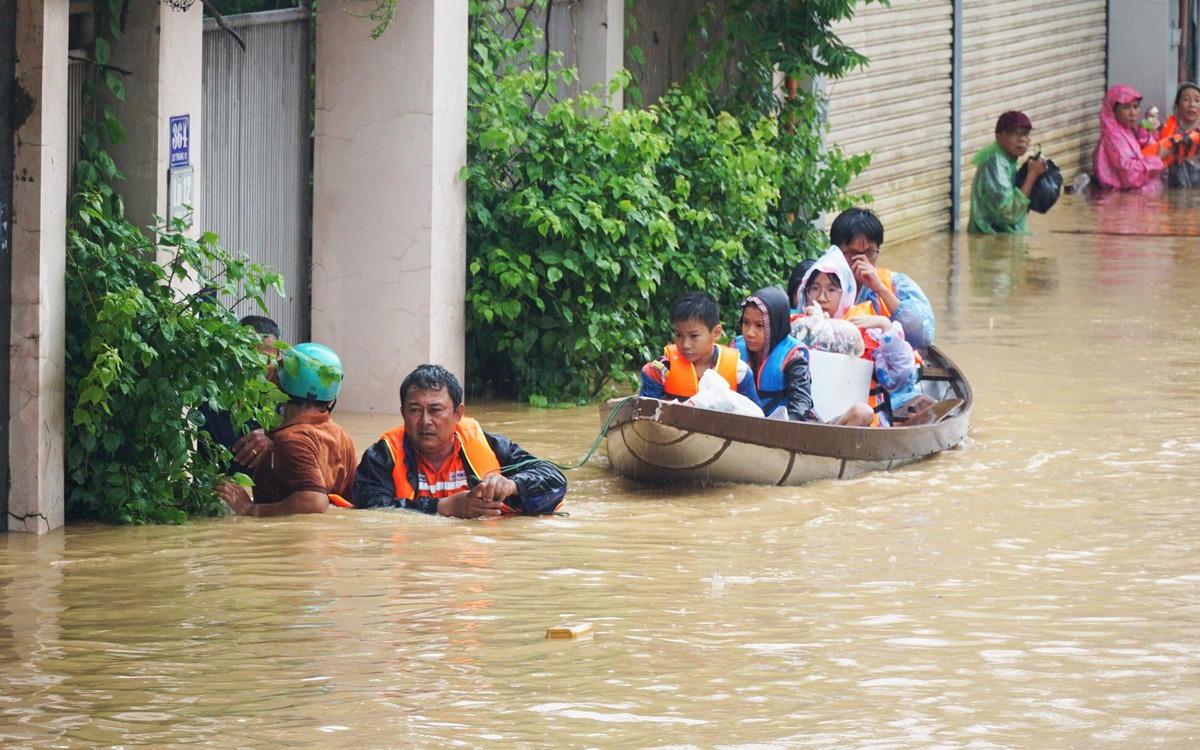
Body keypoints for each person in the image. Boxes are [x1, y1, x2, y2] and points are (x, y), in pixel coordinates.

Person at [355, 364, 567, 518]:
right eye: (415, 410)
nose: (425, 421)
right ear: (403, 414)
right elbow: (372, 510)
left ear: (458, 414)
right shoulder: (381, 457)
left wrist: (513, 485)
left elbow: (555, 480)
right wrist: (444, 507)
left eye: (435, 410)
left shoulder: (493, 447)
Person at [219, 342, 358, 517]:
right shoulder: (342, 436)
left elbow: (314, 502)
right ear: (331, 398)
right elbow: (352, 499)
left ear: (279, 383)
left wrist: (249, 509)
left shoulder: (291, 439)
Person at [799, 250, 925, 426]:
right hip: (811, 425)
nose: (821, 298)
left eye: (832, 289)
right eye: (814, 288)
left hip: (864, 426)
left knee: (861, 412)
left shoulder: (863, 331)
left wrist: (885, 326)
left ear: (845, 293)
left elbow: (899, 378)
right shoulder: (799, 330)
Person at [829, 208, 936, 351]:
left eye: (870, 253)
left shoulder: (897, 284)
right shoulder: (820, 281)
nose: (861, 262)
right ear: (836, 251)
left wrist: (880, 289)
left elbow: (924, 336)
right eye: (851, 253)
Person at [639, 291, 759, 403]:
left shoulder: (740, 372)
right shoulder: (661, 369)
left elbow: (754, 418)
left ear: (716, 333)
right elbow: (644, 416)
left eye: (694, 336)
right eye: (678, 335)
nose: (685, 345)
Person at [197, 315, 280, 476]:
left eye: (268, 360)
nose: (260, 368)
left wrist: (275, 441)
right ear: (232, 355)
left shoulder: (284, 397)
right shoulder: (207, 397)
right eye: (252, 359)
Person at [733, 286, 819, 421]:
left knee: (860, 412)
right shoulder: (735, 350)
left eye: (759, 325)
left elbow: (801, 404)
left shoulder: (794, 356)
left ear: (775, 326)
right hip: (744, 426)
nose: (749, 333)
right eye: (746, 322)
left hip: (787, 429)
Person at [968, 110, 1047, 234]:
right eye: (1014, 133)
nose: (1022, 139)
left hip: (1003, 241)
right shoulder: (994, 163)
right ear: (998, 137)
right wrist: (1032, 175)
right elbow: (1009, 213)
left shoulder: (1008, 161)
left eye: (1025, 134)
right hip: (991, 243)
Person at [1092, 84, 1168, 193]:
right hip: (1124, 203)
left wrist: (1146, 129)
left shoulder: (1127, 132)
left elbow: (1143, 151)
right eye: (1126, 107)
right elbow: (1129, 174)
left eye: (1135, 107)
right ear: (1112, 110)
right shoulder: (1113, 138)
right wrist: (1158, 160)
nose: (1133, 113)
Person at [1163, 82, 1200, 188]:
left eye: (1197, 100)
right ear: (1176, 107)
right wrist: (1147, 128)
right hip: (1172, 191)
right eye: (1186, 99)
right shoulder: (1165, 131)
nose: (1192, 104)